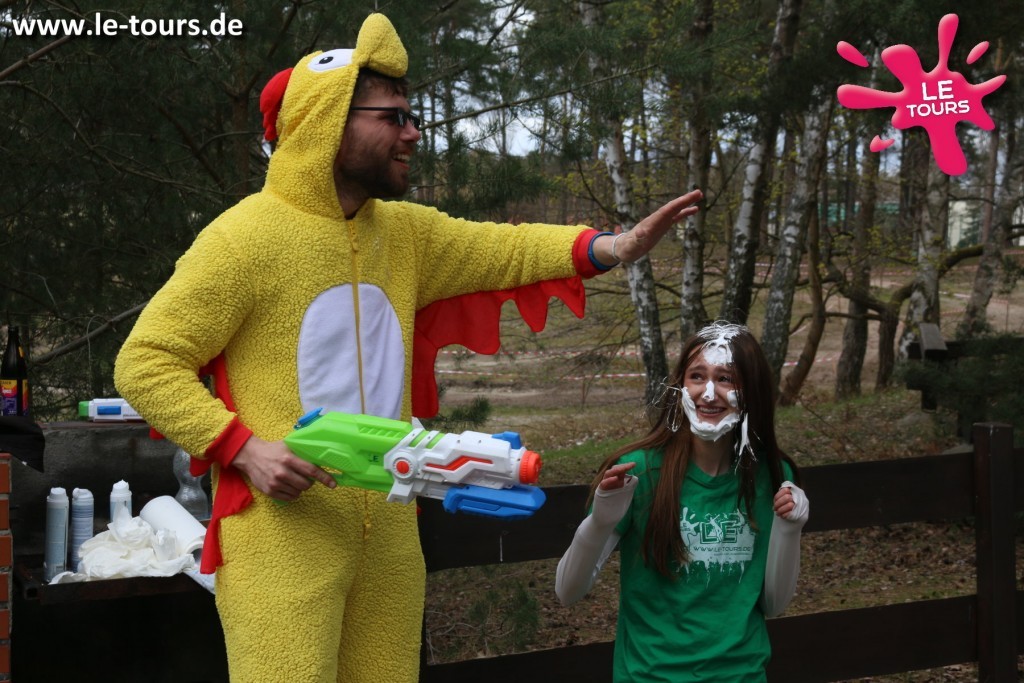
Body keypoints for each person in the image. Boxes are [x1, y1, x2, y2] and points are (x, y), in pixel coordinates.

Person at [113, 13, 703, 683]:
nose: (413, 132)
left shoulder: (405, 234)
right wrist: (244, 449)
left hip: (391, 535)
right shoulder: (242, 239)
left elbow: (506, 249)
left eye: (411, 115)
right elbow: (145, 362)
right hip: (283, 536)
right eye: (393, 117)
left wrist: (615, 246)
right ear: (328, 123)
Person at [555, 322, 809, 682]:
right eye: (697, 376)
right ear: (681, 387)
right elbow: (567, 591)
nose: (709, 393)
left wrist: (789, 529)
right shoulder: (640, 472)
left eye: (725, 379)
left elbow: (774, 604)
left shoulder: (772, 475)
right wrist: (599, 523)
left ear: (751, 390)